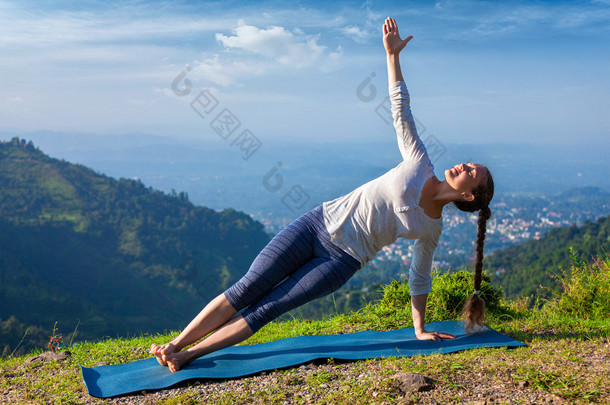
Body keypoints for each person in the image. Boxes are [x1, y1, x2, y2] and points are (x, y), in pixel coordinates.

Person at [151, 17, 494, 373]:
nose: (464, 166)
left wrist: (419, 330)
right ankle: (174, 344)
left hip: (340, 261)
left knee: (268, 307)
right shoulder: (420, 161)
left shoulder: (431, 228)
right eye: (468, 163)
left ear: (469, 197)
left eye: (472, 173)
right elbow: (400, 110)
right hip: (316, 223)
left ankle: (187, 356)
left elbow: (419, 276)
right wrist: (392, 56)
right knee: (247, 287)